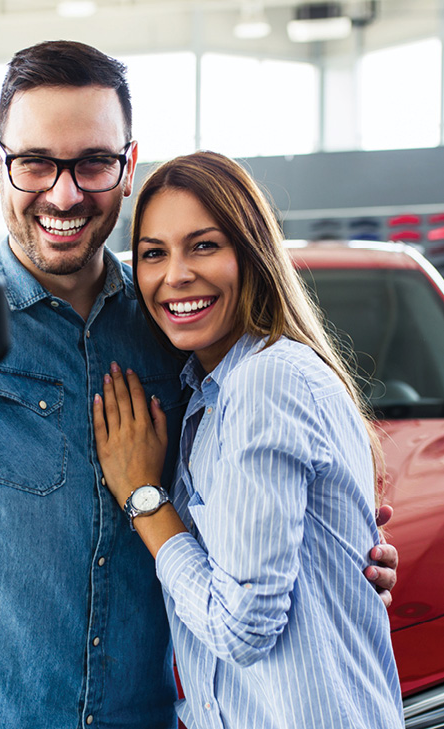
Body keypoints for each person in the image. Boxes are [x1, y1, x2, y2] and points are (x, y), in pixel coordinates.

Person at [0, 41, 398, 729]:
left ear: (127, 168)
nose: (63, 195)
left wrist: (327, 556)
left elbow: (236, 497)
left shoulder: (172, 328)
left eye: (93, 162)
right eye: (36, 162)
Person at [92, 150, 404, 728]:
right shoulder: (208, 395)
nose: (176, 274)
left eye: (204, 245)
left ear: (251, 253)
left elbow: (242, 629)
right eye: (154, 253)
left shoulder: (267, 379)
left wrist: (143, 498)